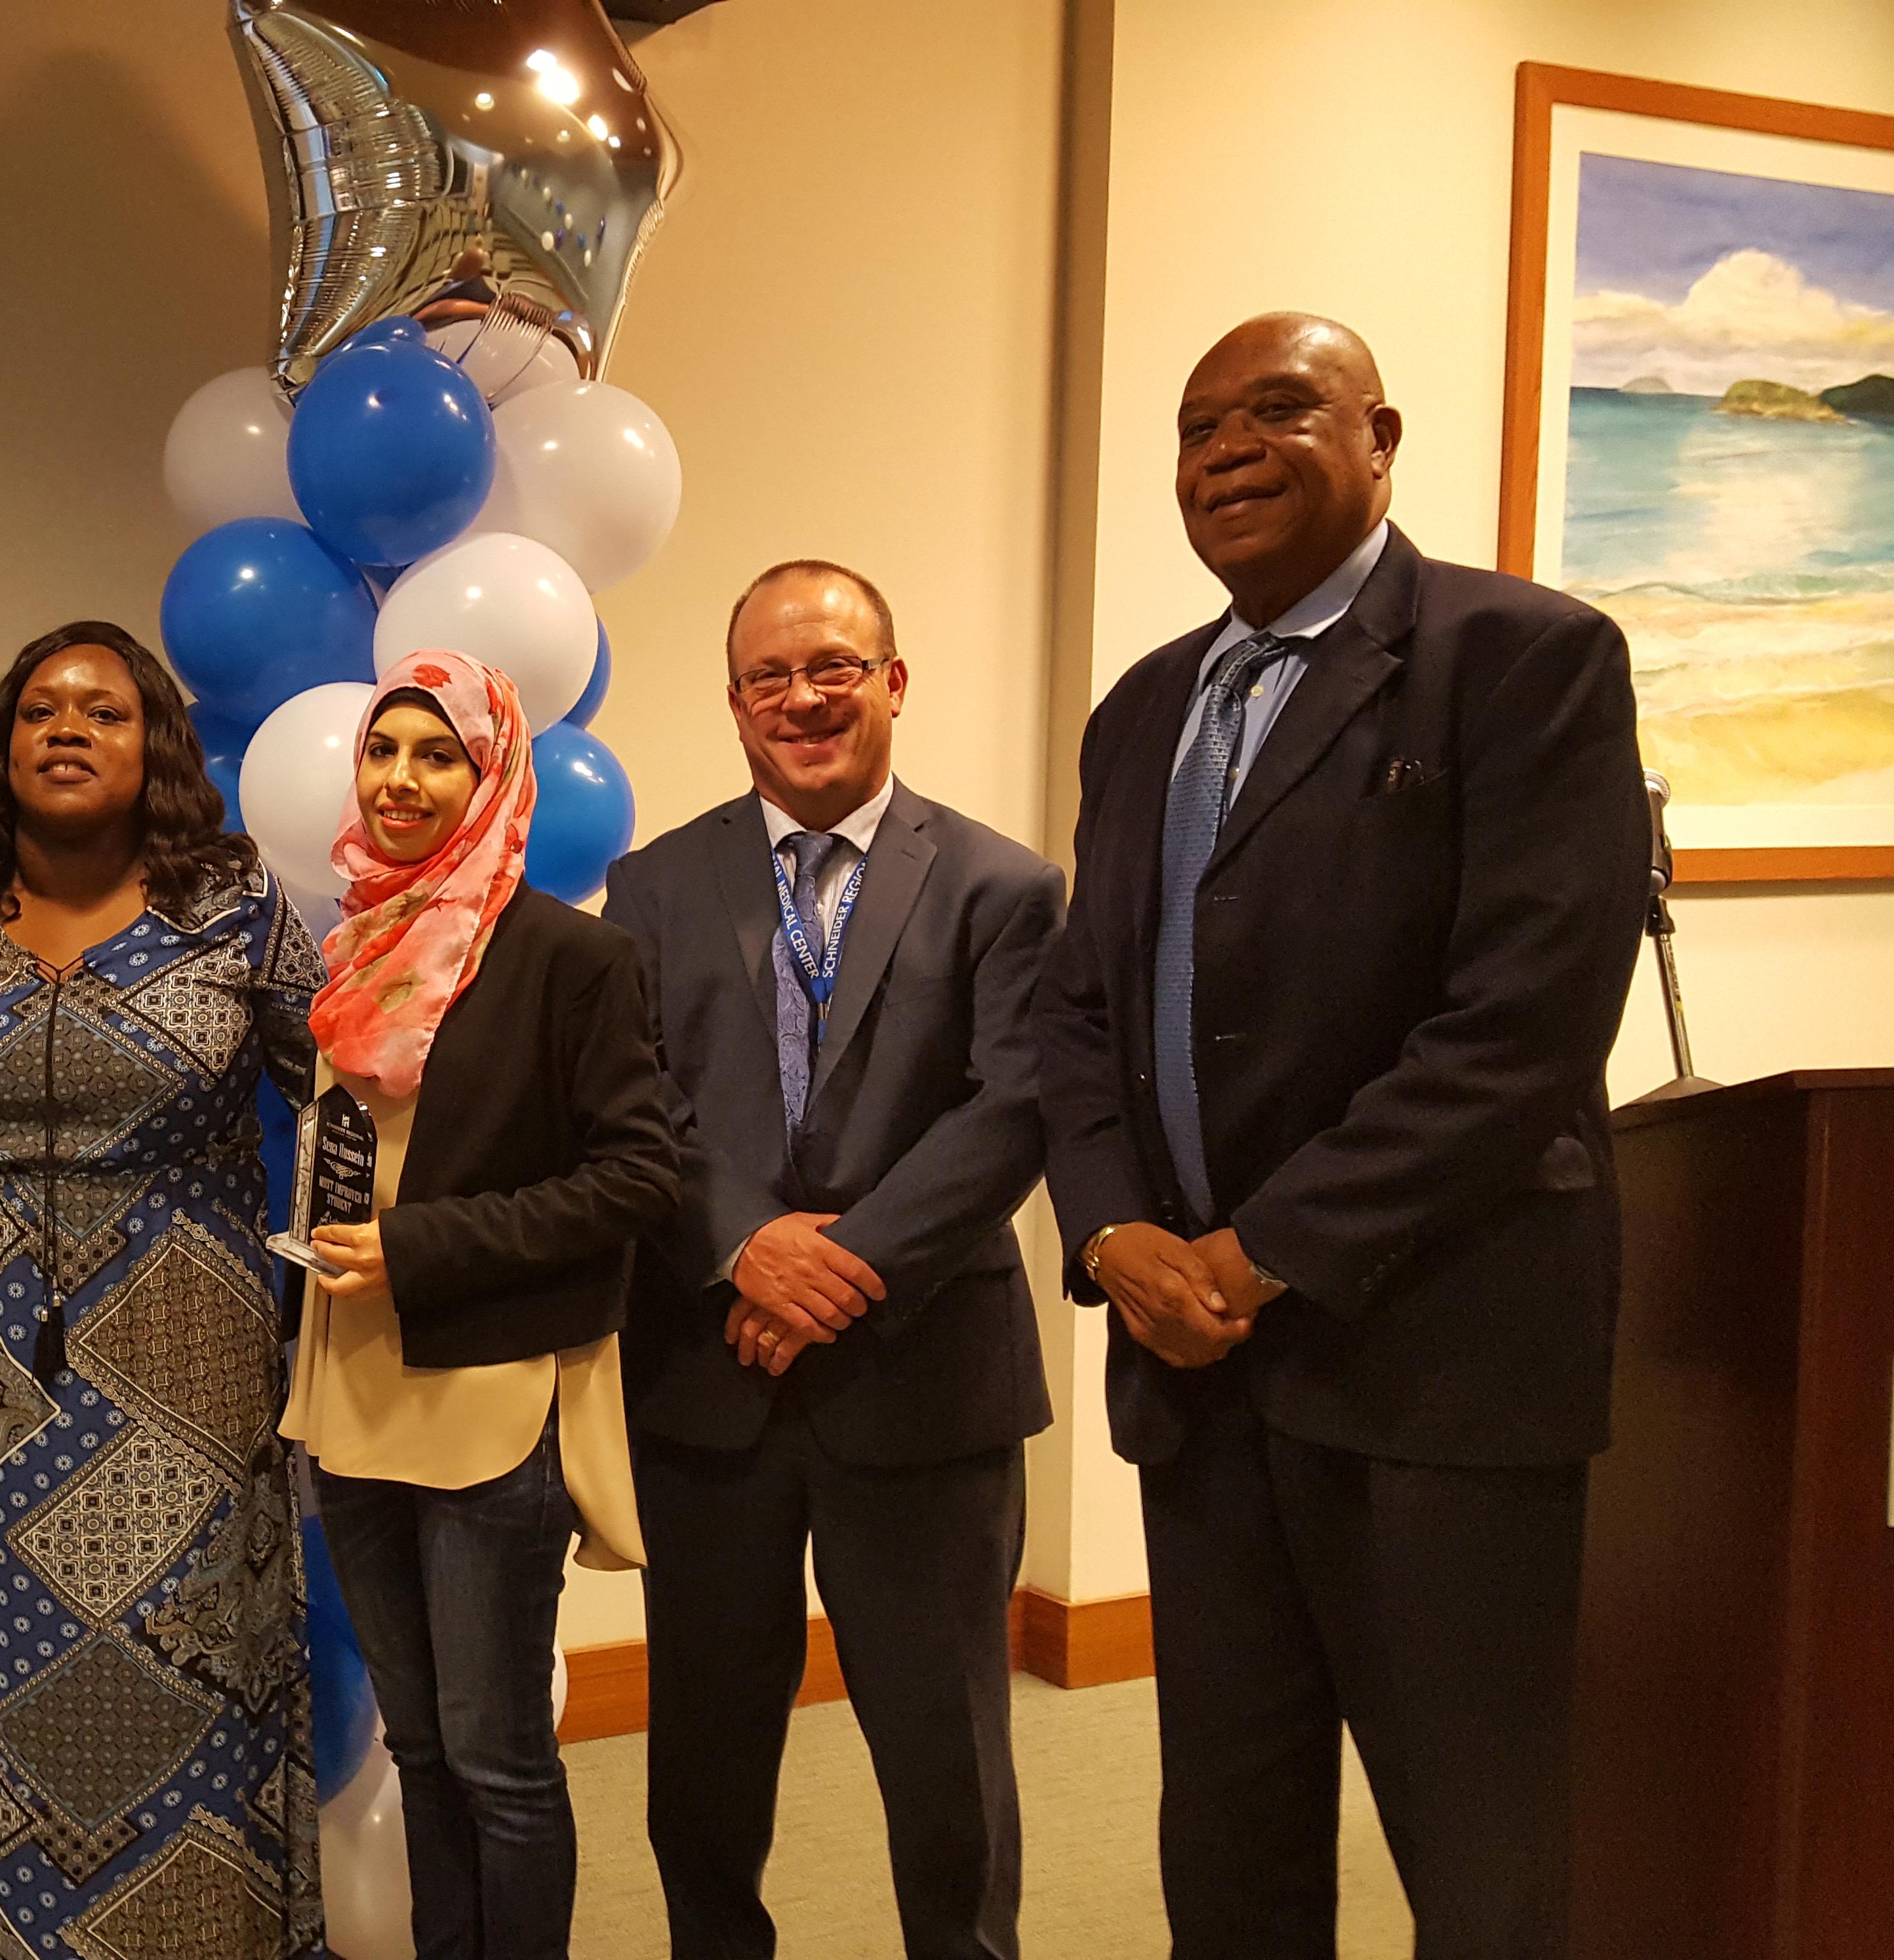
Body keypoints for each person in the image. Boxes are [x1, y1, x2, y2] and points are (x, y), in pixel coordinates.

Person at [1035, 314, 1647, 1959]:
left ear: (1381, 438)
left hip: (1434, 1367)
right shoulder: (1143, 709)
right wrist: (1111, 1235)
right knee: (1228, 1843)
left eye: (1277, 410)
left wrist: (1260, 1255)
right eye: (1195, 424)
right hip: (1198, 1374)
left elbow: (1517, 1030)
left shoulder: (1524, 658)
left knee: (1476, 1846)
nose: (1224, 447)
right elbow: (1077, 1013)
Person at [600, 561, 1063, 1960]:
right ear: (733, 703)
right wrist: (743, 1248)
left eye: (834, 668)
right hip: (708, 1387)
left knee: (946, 1764)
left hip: (925, 1384)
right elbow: (631, 1103)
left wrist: (836, 1270)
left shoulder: (1002, 885)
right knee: (704, 1757)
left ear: (893, 683)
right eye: (768, 677)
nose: (800, 699)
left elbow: (1014, 1111)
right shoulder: (655, 883)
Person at [0, 623, 327, 1960]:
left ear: (158, 747)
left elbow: (355, 1082)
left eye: (104, 709)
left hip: (185, 1378)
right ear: (4, 744)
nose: (68, 728)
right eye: (39, 709)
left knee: (180, 1673)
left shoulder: (239, 905)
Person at [281, 649, 679, 1960]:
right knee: (419, 1744)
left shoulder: (570, 958)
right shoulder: (355, 942)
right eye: (382, 752)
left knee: (499, 1757)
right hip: (356, 1384)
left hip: (488, 1398)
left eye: (435, 753)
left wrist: (424, 1246)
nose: (400, 779)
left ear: (490, 771)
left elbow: (634, 1176)